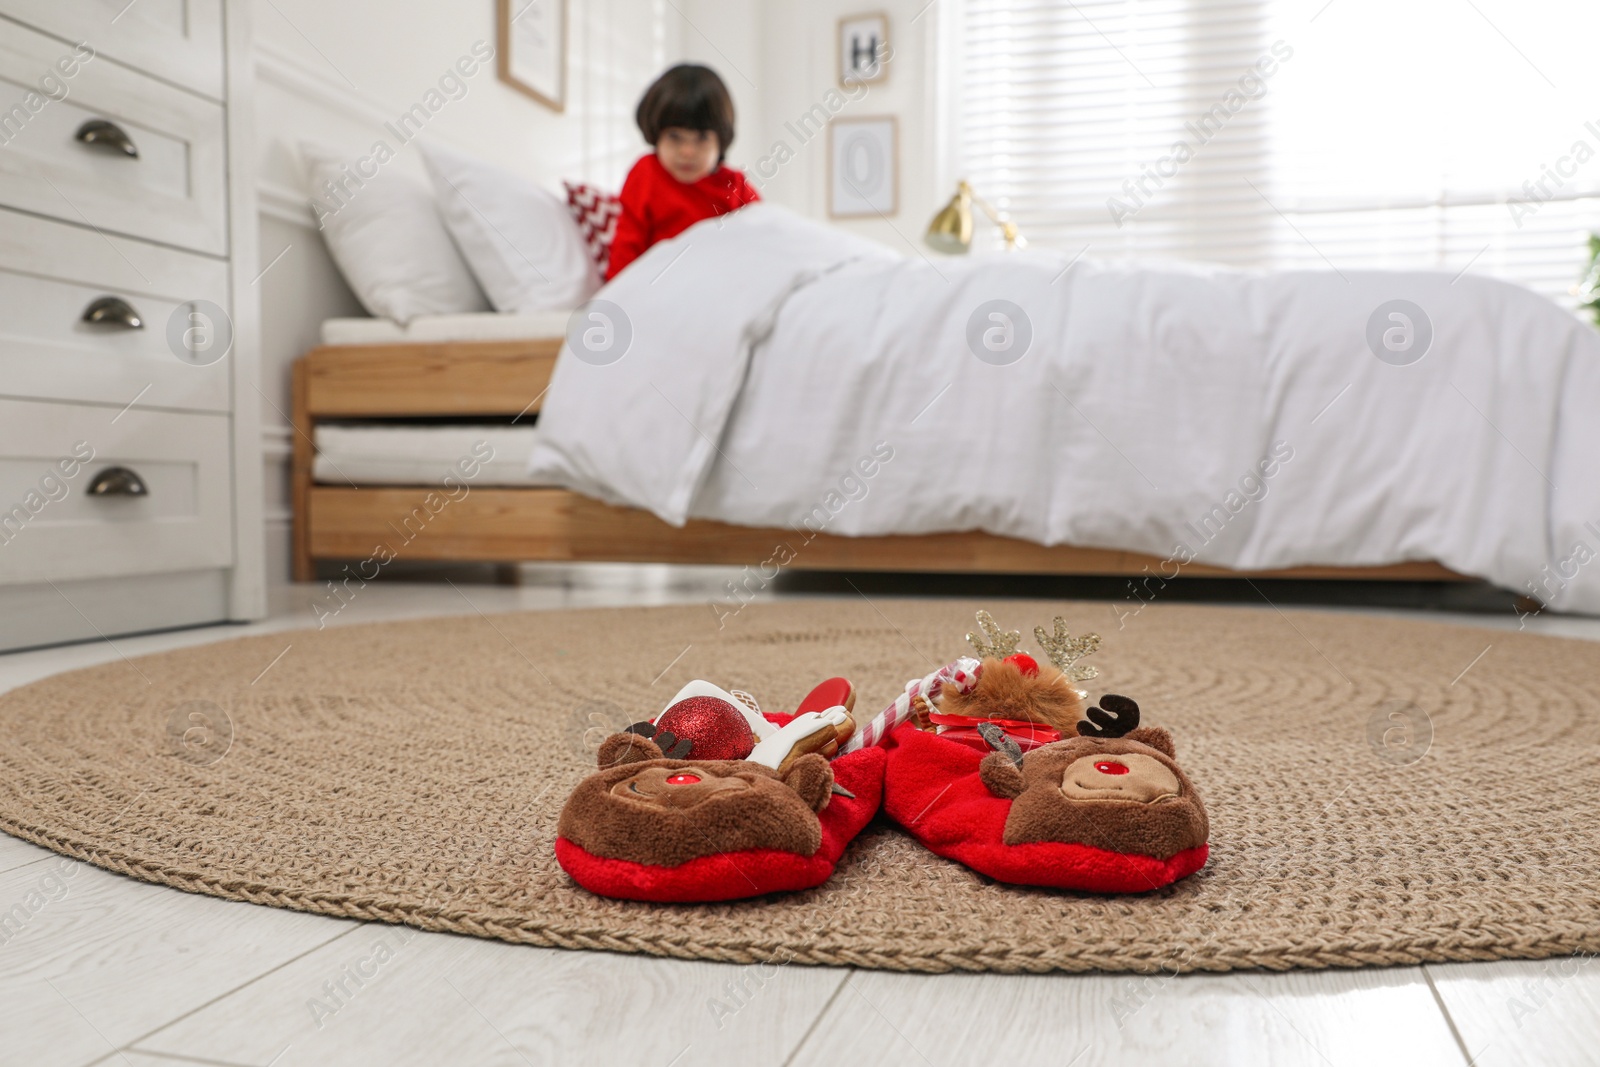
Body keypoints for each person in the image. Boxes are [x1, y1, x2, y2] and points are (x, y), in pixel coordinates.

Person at [605, 64, 760, 281]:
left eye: (702, 138)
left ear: (721, 141)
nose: (687, 151)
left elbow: (762, 236)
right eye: (675, 136)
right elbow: (627, 244)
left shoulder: (735, 184)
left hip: (721, 284)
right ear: (656, 134)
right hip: (659, 285)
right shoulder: (646, 173)